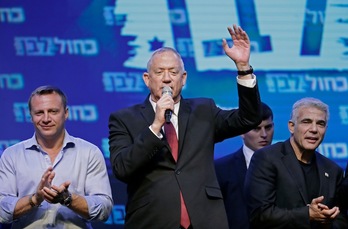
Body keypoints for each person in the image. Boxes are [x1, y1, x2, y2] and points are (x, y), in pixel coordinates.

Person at [108, 24, 262, 229]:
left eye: (173, 72)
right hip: (152, 220)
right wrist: (155, 127)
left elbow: (248, 119)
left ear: (184, 78)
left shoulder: (204, 110)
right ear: (147, 79)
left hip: (205, 219)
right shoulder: (124, 118)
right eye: (159, 72)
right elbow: (122, 169)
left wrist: (243, 68)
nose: (166, 78)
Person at [0, 86, 113, 228]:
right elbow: (1, 212)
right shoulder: (11, 155)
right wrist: (35, 199)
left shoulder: (89, 152)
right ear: (31, 116)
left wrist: (68, 199)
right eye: (39, 113)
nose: (46, 119)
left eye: (53, 111)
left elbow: (104, 209)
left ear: (65, 113)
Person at [245, 97, 348, 228]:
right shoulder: (267, 159)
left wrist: (328, 220)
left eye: (320, 124)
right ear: (291, 126)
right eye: (306, 122)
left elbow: (342, 219)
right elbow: (260, 215)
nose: (314, 129)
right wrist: (307, 215)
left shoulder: (333, 170)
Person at [214, 102, 274, 229]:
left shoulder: (288, 165)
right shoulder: (221, 169)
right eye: (256, 128)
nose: (264, 134)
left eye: (268, 127)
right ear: (241, 131)